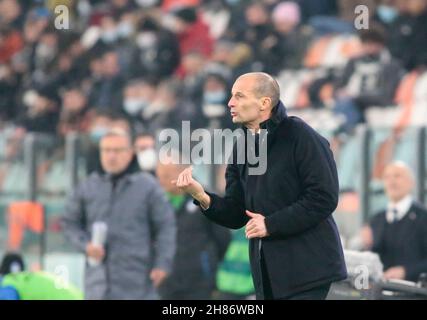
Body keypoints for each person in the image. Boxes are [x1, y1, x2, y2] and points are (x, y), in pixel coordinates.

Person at [173, 72, 347, 300]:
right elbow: (237, 213)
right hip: (268, 275)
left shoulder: (300, 136)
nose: (230, 103)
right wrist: (202, 196)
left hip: (307, 271)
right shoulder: (241, 145)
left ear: (264, 103)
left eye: (239, 96)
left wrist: (271, 224)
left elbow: (323, 198)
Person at [61, 128, 176, 299]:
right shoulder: (87, 187)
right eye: (106, 150)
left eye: (117, 150)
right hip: (97, 284)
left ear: (130, 153)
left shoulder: (148, 187)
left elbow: (166, 227)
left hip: (137, 283)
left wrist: (162, 264)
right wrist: (85, 246)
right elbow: (69, 223)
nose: (111, 156)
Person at [156, 156, 231, 299]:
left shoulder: (205, 198)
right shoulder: (156, 202)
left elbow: (223, 238)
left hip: (199, 282)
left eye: (166, 175)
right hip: (166, 283)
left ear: (182, 172)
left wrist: (208, 261)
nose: (161, 180)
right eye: (159, 175)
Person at [358, 162, 427, 282]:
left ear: (411, 182)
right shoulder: (376, 219)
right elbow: (371, 260)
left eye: (397, 176)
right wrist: (366, 246)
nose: (391, 181)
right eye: (387, 177)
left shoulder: (423, 217)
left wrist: (406, 271)